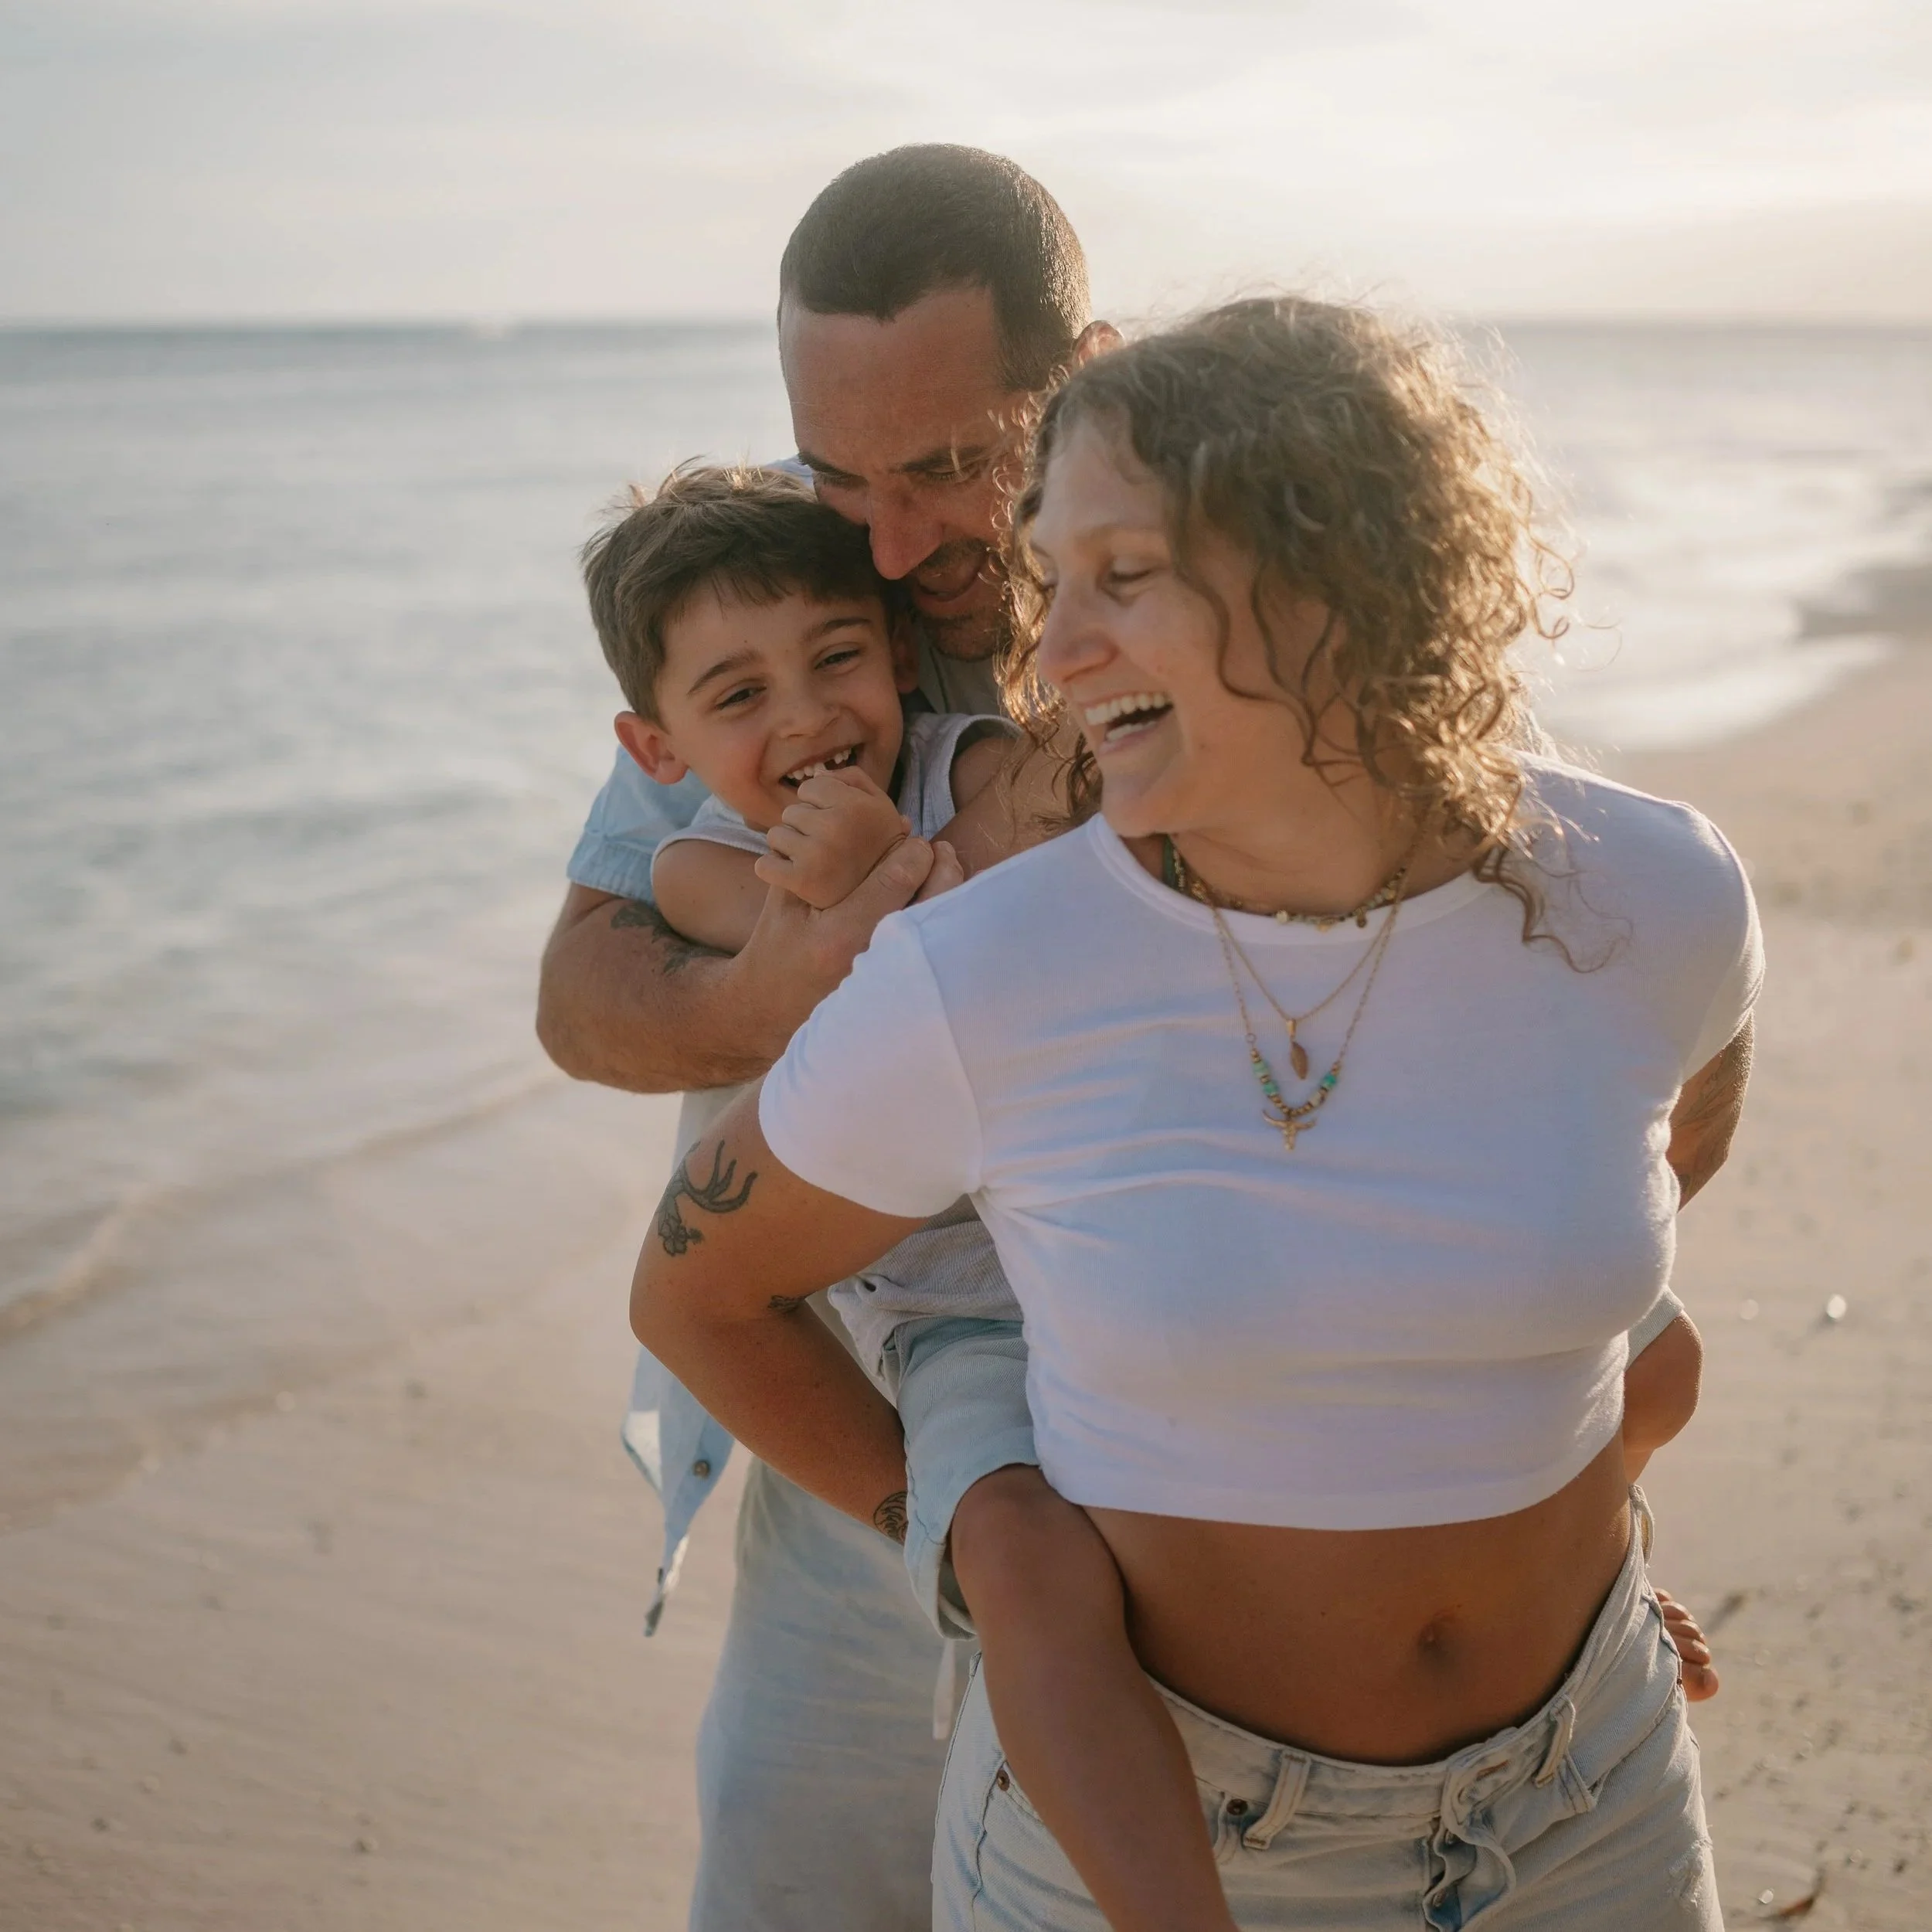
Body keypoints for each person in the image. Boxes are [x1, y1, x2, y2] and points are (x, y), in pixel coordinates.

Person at [630, 294, 1760, 1929]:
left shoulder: (1652, 893)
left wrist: (1575, 1445)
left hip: (1593, 1794)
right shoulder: (980, 972)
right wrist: (946, 1539)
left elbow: (1667, 1156)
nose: (1053, 652)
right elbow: (695, 1291)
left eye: (1124, 579)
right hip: (1157, 1855)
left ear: (1336, 567)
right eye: (1051, 581)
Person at [539, 146, 1120, 1932]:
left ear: (1080, 373)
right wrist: (775, 988)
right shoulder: (790, 621)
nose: (881, 542)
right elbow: (582, 987)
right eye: (833, 471)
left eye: (945, 468)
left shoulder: (1194, 591)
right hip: (843, 1412)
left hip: (1163, 1446)